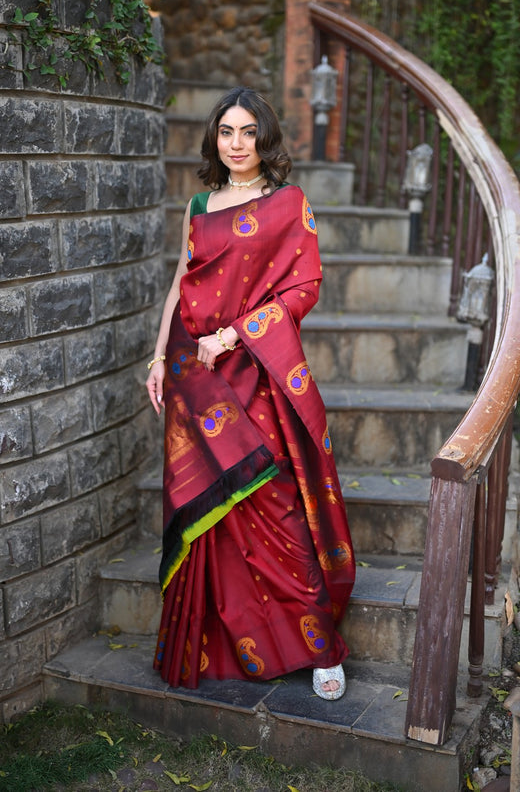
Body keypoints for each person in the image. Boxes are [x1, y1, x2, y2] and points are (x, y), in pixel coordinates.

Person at [145, 86, 355, 700]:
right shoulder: (201, 204)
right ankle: (219, 645)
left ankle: (322, 649)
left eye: (248, 133)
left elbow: (303, 289)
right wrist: (160, 358)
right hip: (195, 376)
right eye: (226, 132)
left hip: (258, 374)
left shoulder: (288, 204)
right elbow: (180, 282)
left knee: (279, 509)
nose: (237, 144)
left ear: (266, 139)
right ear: (215, 137)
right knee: (218, 517)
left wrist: (237, 334)